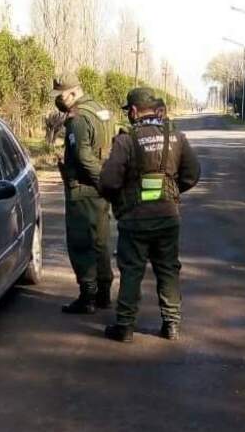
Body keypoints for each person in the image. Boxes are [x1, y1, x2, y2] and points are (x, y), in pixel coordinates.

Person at [99, 88, 200, 342]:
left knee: (132, 270)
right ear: (156, 109)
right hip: (168, 215)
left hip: (134, 218)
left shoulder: (126, 140)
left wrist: (120, 198)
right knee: (168, 269)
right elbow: (192, 174)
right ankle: (172, 325)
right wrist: (172, 191)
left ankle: (125, 326)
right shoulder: (177, 137)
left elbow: (109, 181)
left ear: (133, 112)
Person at [52, 73, 114, 314]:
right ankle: (104, 294)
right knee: (101, 242)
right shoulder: (100, 109)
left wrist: (102, 180)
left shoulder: (77, 118)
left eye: (60, 96)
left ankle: (88, 296)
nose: (57, 101)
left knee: (81, 243)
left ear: (74, 92)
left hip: (84, 188)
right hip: (100, 189)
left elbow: (83, 156)